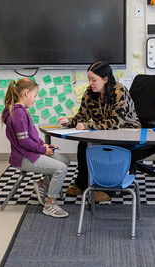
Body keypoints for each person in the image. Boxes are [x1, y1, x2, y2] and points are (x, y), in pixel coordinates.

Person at [58, 61, 141, 202]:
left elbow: (115, 123)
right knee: (83, 144)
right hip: (103, 131)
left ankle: (110, 189)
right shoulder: (90, 93)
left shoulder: (119, 91)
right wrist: (70, 121)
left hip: (126, 132)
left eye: (94, 79)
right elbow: (82, 117)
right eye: (89, 79)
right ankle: (83, 182)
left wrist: (88, 126)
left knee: (110, 148)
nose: (90, 83)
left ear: (105, 79)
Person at [1, 78, 71, 218]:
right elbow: (24, 141)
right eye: (34, 96)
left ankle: (43, 184)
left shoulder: (19, 110)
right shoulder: (19, 113)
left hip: (30, 152)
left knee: (65, 161)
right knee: (61, 168)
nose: (34, 100)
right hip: (25, 157)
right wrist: (43, 150)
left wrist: (42, 145)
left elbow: (30, 136)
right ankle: (50, 204)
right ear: (26, 93)